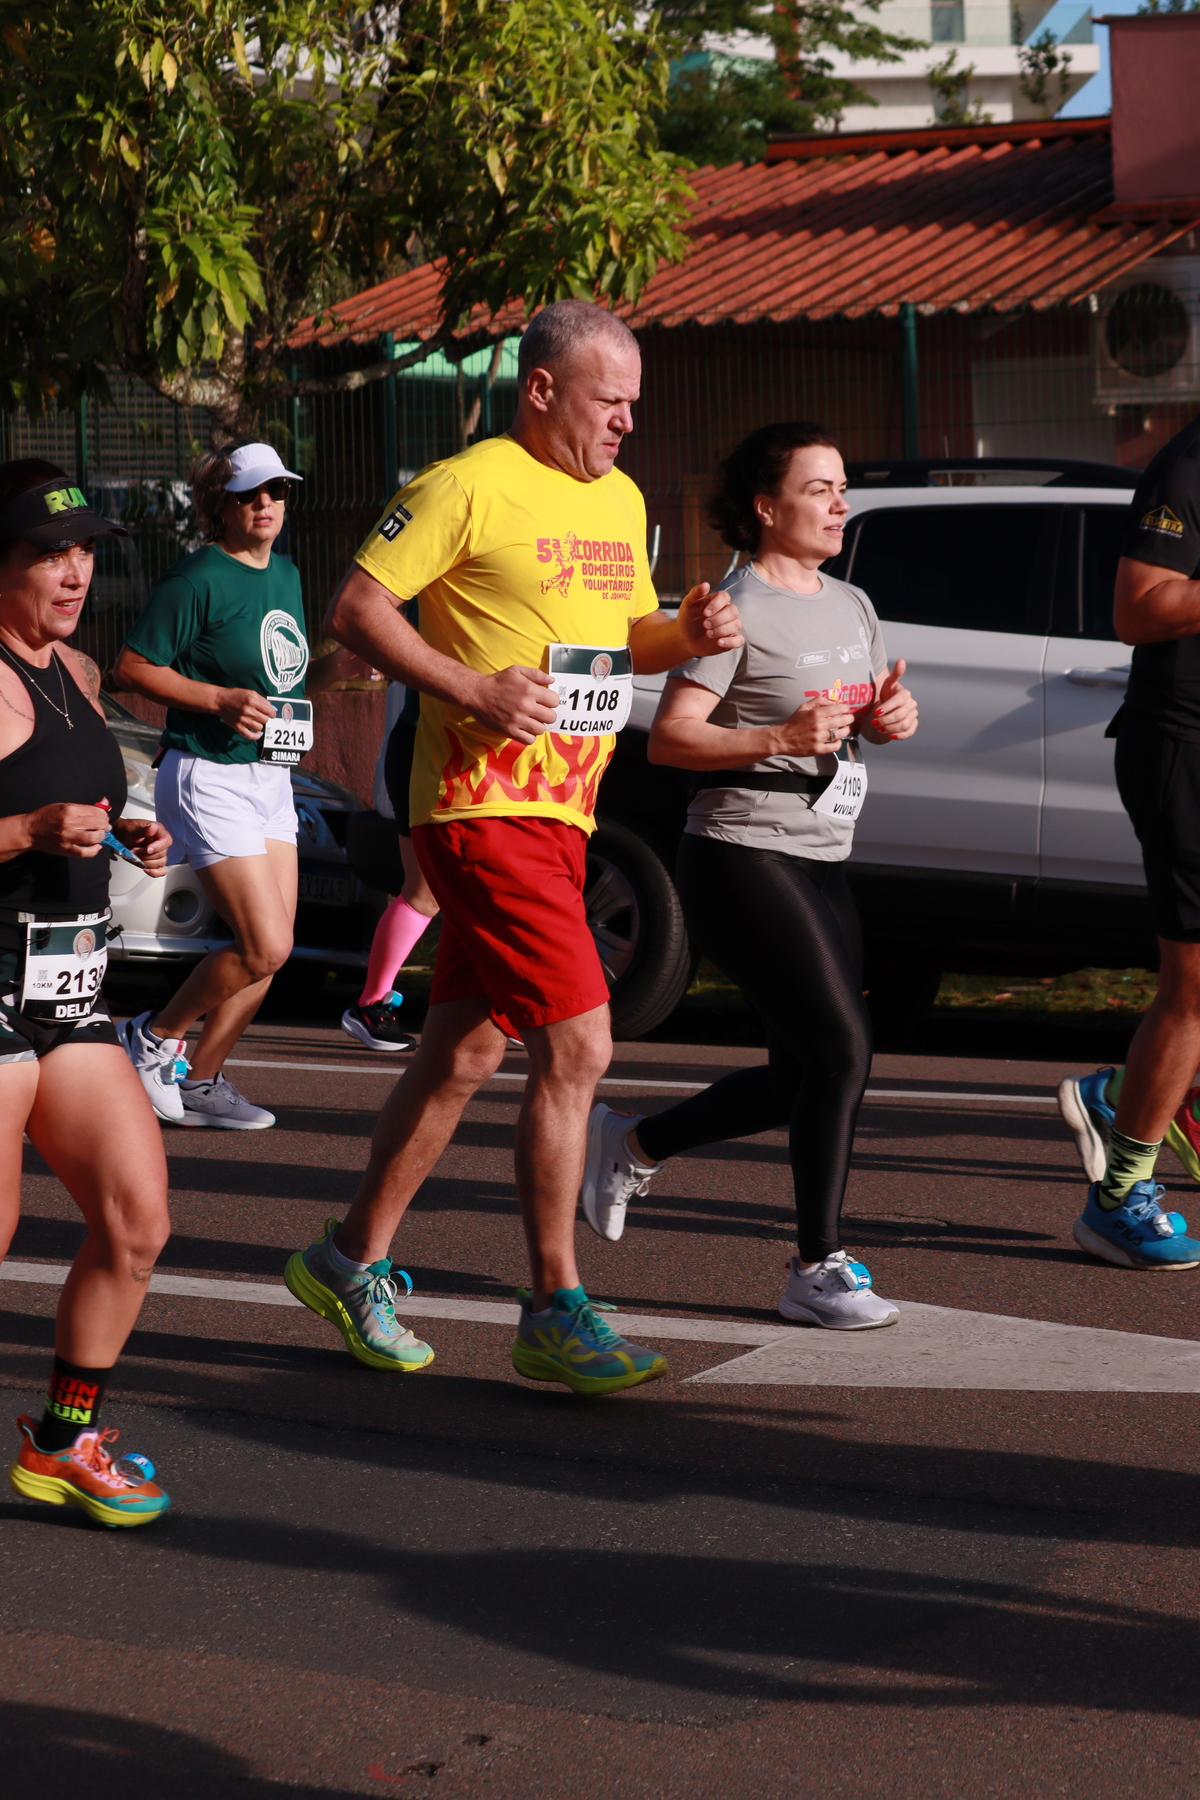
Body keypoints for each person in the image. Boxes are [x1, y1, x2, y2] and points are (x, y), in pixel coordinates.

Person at [285, 298, 742, 1392]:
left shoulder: (620, 498)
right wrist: (471, 686)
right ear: (542, 390)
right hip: (480, 809)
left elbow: (621, 643)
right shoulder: (468, 483)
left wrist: (686, 634)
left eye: (634, 403)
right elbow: (357, 608)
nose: (627, 421)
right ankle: (553, 1307)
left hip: (567, 813)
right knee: (579, 1047)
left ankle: (346, 1261)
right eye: (609, 400)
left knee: (462, 1055)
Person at [579, 423, 918, 1327]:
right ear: (767, 507)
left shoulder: (851, 603)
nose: (840, 503)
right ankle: (817, 1266)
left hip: (824, 852)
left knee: (794, 1075)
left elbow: (852, 720)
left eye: (842, 487)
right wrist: (778, 737)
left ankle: (634, 1142)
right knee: (843, 1049)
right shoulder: (736, 607)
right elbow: (673, 739)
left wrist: (886, 719)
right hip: (740, 852)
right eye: (819, 489)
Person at [0, 458, 173, 1526]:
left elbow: (79, 801)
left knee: (137, 1221)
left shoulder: (76, 670)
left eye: (84, 553)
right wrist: (25, 829)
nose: (74, 573)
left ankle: (63, 1441)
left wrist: (127, 834)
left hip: (68, 989)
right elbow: (30, 817)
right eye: (47, 554)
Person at [112, 439, 364, 1128]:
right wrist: (217, 700)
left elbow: (281, 686)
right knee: (266, 943)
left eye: (276, 491)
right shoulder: (196, 578)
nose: (264, 504)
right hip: (208, 773)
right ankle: (152, 1037)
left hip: (270, 776)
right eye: (249, 494)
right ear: (219, 506)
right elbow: (131, 668)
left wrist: (334, 673)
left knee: (270, 952)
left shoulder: (285, 574)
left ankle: (201, 1080)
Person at [1057, 415, 1200, 1269]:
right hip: (1185, 747)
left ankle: (1127, 1091)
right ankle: (1117, 1198)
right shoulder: (1189, 466)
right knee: (1193, 986)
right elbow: (1138, 607)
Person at [340, 671, 438, 1053]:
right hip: (429, 747)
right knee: (424, 892)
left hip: (506, 755)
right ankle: (371, 1003)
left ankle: (504, 1003)